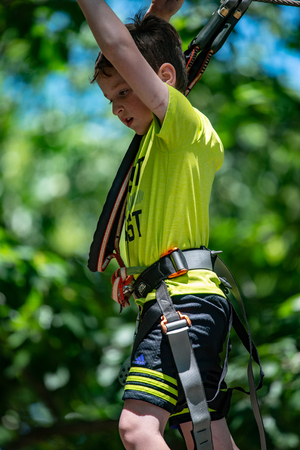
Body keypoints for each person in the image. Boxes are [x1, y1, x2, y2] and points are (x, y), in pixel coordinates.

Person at [76, 1, 239, 449]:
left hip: (184, 301)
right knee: (204, 436)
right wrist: (159, 15)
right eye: (110, 100)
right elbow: (147, 42)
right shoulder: (155, 145)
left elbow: (118, 45)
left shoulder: (182, 127)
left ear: (162, 80)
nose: (116, 109)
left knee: (137, 428)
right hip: (176, 303)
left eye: (124, 92)